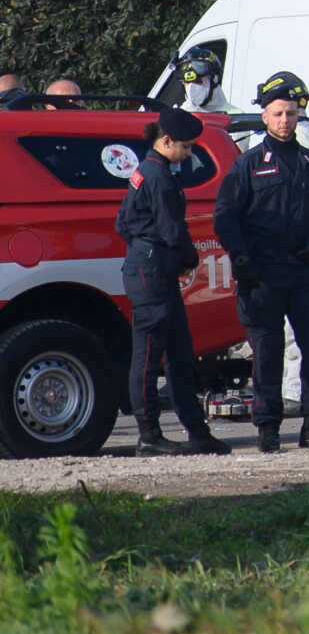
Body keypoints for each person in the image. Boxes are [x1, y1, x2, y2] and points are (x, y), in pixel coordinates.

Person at [212, 72, 309, 453]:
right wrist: (242, 257)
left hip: (304, 269)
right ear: (265, 118)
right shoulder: (248, 165)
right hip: (264, 272)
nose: (285, 120)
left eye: (290, 113)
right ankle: (268, 429)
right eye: (277, 114)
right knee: (268, 354)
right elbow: (226, 216)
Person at [116, 106, 227, 455]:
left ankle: (197, 429)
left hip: (152, 270)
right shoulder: (159, 177)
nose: (189, 153)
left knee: (180, 352)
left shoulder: (144, 171)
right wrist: (188, 257)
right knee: (148, 357)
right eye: (187, 146)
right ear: (167, 142)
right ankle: (149, 434)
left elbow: (122, 223)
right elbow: (172, 230)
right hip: (153, 275)